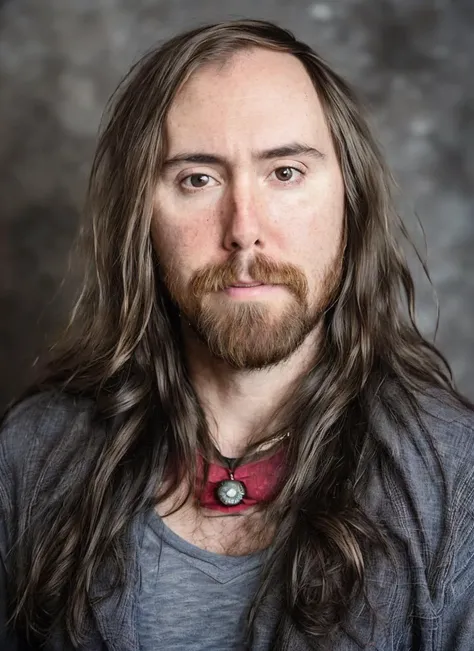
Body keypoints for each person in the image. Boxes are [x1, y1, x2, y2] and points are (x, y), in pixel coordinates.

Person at [1, 18, 474, 651]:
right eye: (198, 179)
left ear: (348, 202)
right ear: (139, 217)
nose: (244, 229)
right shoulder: (27, 458)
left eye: (285, 173)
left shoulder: (458, 487)